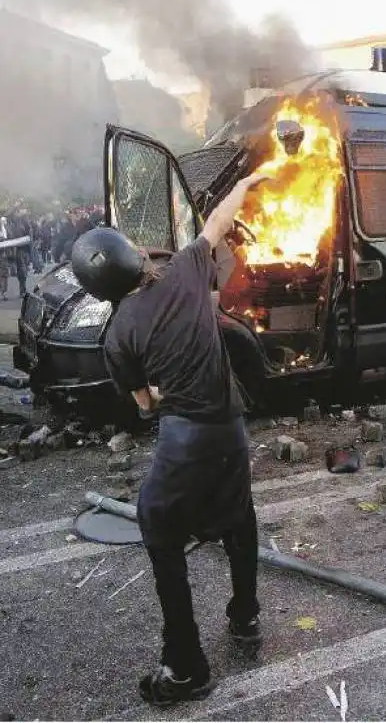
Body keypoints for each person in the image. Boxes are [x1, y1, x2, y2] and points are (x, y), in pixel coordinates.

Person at [71, 171, 268, 707]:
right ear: (133, 258)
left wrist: (161, 388)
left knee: (159, 528)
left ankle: (185, 667)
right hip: (231, 428)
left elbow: (144, 406)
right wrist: (251, 178)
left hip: (185, 441)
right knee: (238, 514)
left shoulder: (117, 336)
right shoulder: (184, 270)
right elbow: (221, 220)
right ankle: (245, 616)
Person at [0, 215, 10, 300]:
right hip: (2, 254)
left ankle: (3, 293)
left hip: (3, 254)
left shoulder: (5, 229)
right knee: (3, 274)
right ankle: (3, 293)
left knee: (4, 274)